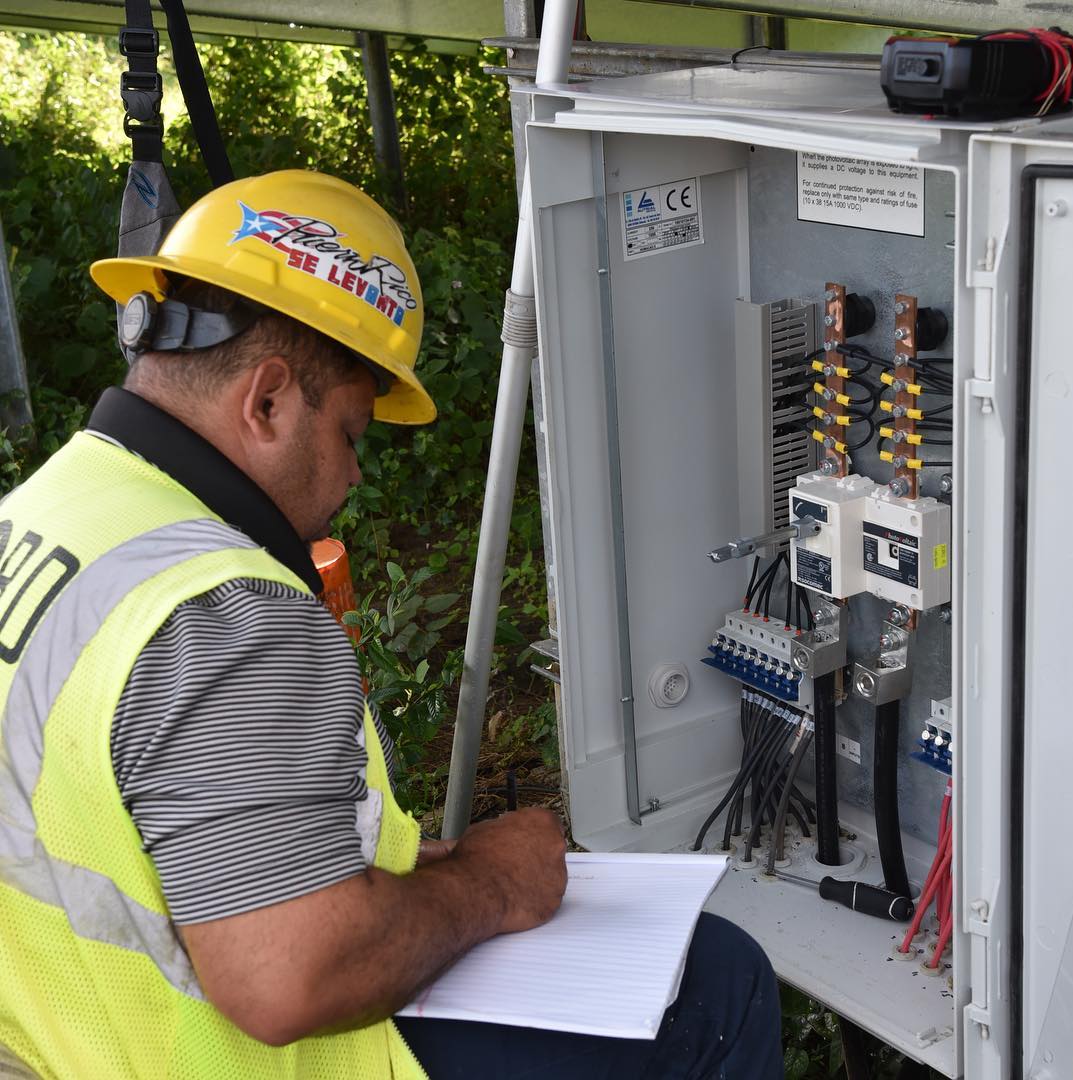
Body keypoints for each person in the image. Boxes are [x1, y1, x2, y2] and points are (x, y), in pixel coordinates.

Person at [0, 170, 782, 1079]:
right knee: (719, 986)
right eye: (351, 434)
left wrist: (388, 873)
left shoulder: (48, 512)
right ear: (267, 402)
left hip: (57, 1037)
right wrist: (489, 884)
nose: (354, 479)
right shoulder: (220, 611)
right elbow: (287, 976)